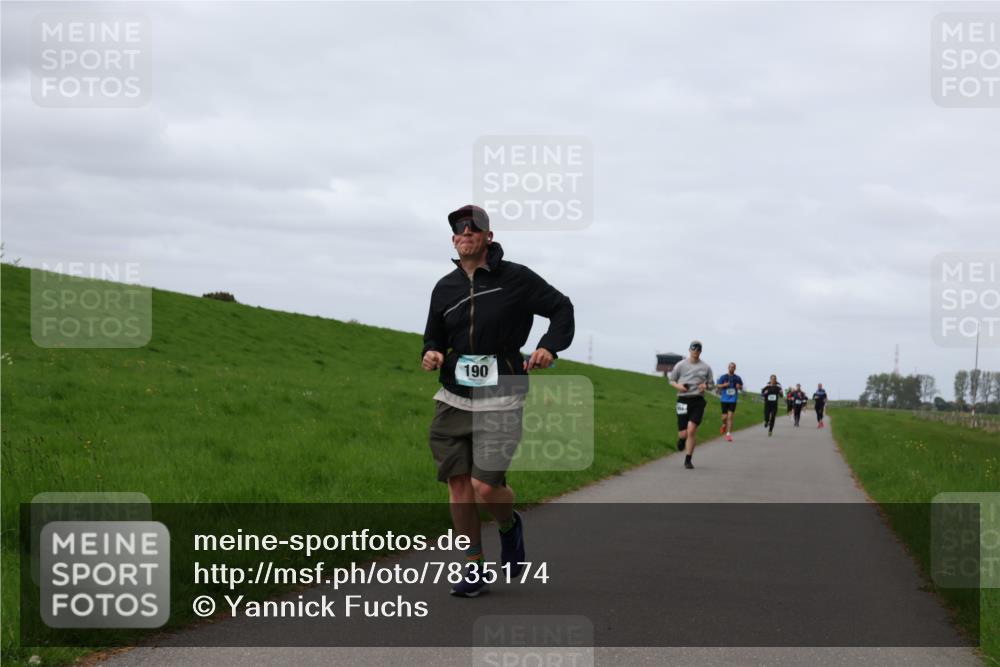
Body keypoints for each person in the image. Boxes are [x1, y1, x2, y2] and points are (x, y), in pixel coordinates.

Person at [422, 204, 574, 597]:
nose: (464, 232)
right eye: (458, 228)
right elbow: (433, 337)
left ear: (488, 236)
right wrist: (432, 353)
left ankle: (509, 525)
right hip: (454, 397)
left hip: (502, 394)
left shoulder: (516, 279)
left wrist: (548, 347)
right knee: (458, 484)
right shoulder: (444, 288)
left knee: (485, 488)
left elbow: (561, 308)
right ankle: (473, 567)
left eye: (473, 227)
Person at [668, 340, 715, 469]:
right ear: (689, 350)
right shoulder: (680, 365)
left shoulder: (706, 367)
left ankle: (688, 459)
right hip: (683, 400)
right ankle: (682, 440)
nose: (695, 352)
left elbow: (712, 384)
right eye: (693, 349)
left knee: (692, 429)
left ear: (701, 351)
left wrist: (706, 386)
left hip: (697, 401)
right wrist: (680, 386)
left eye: (698, 350)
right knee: (683, 433)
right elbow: (671, 380)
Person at [716, 362, 743, 442]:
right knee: (724, 417)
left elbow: (741, 387)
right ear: (728, 368)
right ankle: (724, 424)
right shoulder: (723, 377)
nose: (731, 368)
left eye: (733, 367)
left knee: (730, 417)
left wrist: (739, 387)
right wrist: (724, 385)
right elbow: (717, 385)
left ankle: (728, 434)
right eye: (730, 367)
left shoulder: (737, 378)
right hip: (724, 399)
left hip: (733, 399)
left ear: (735, 368)